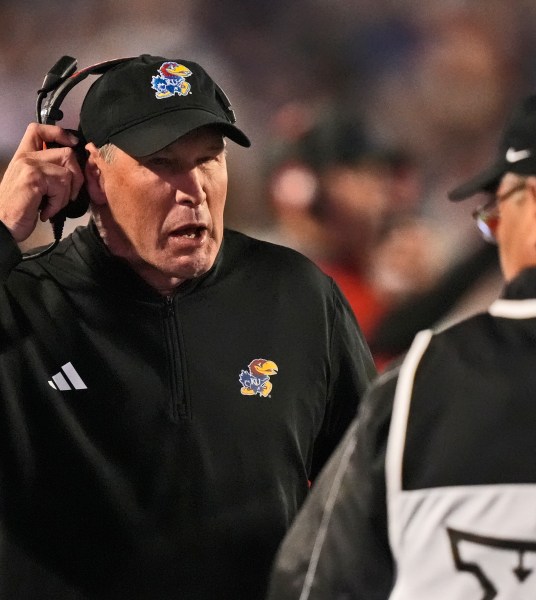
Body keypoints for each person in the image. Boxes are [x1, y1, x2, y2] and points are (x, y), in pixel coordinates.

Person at [0, 54, 375, 600]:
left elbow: (375, 484)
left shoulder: (296, 294)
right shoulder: (24, 304)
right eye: (163, 162)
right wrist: (3, 229)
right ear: (94, 175)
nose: (193, 189)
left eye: (209, 159)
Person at [267, 83, 536, 599]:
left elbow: (312, 583)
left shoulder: (411, 343)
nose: (388, 191)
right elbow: (378, 338)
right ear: (310, 186)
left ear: (535, 209)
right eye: (366, 173)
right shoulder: (286, 282)